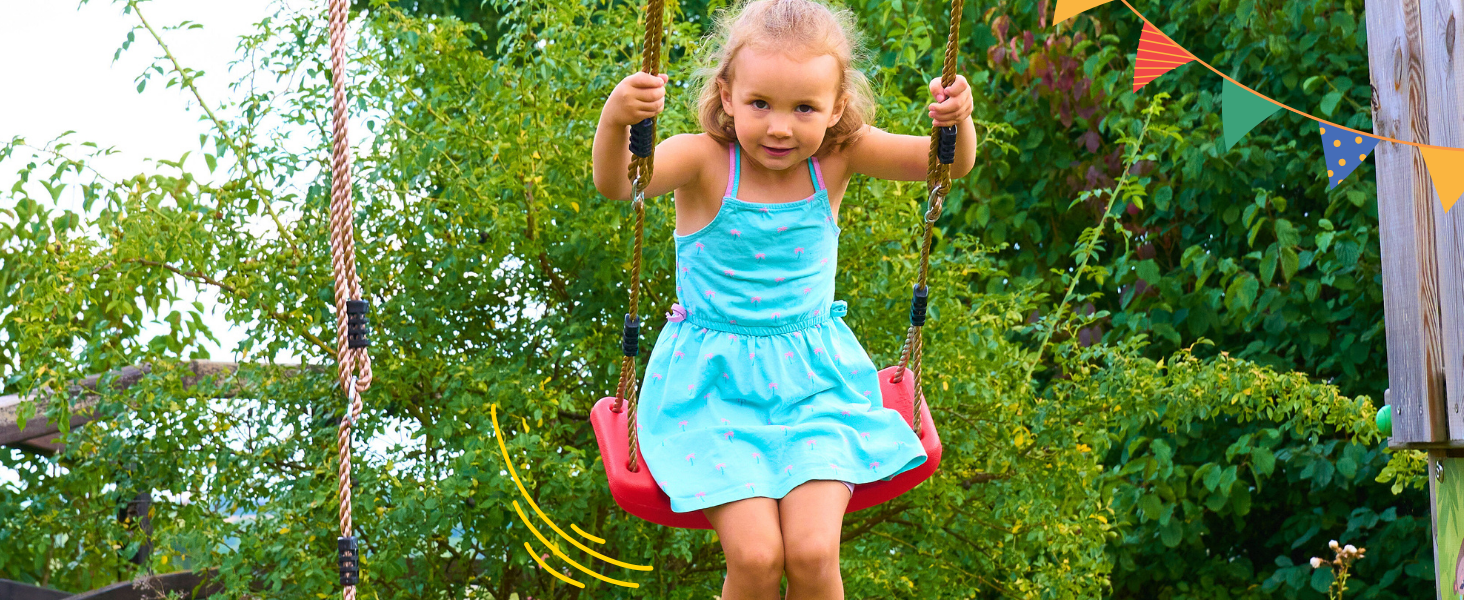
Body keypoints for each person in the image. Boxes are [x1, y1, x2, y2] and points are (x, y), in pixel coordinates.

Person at [591, 0, 975, 597]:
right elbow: (620, 184)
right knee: (756, 557)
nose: (780, 127)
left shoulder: (838, 156)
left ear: (836, 107)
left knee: (815, 551)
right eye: (760, 103)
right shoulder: (701, 160)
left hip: (816, 388)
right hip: (713, 394)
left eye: (804, 108)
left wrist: (958, 120)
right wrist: (618, 121)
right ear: (726, 95)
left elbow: (942, 167)